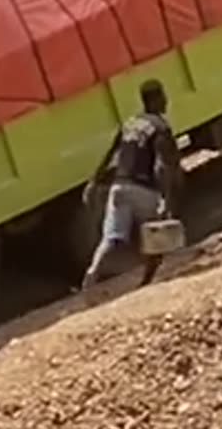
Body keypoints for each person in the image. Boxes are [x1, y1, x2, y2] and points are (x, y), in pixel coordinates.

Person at [80, 79, 184, 291]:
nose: (166, 101)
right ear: (155, 100)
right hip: (141, 189)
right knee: (156, 234)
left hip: (117, 188)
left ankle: (92, 271)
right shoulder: (160, 127)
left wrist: (93, 182)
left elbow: (111, 155)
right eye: (163, 96)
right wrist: (167, 199)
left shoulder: (129, 123)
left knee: (111, 238)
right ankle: (146, 282)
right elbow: (165, 166)